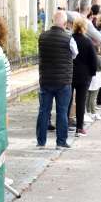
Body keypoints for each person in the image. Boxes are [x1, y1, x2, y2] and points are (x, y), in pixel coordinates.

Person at [35, 11, 76, 149]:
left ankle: (41, 142)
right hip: (63, 82)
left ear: (52, 21)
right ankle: (60, 142)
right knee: (62, 112)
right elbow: (75, 54)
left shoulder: (42, 37)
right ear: (65, 24)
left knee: (43, 111)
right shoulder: (69, 38)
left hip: (45, 80)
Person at [70, 16, 98, 136]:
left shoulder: (70, 39)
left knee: (68, 100)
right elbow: (94, 60)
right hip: (84, 76)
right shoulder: (88, 42)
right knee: (81, 101)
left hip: (70, 73)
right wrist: (92, 74)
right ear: (85, 27)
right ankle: (79, 128)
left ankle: (64, 125)